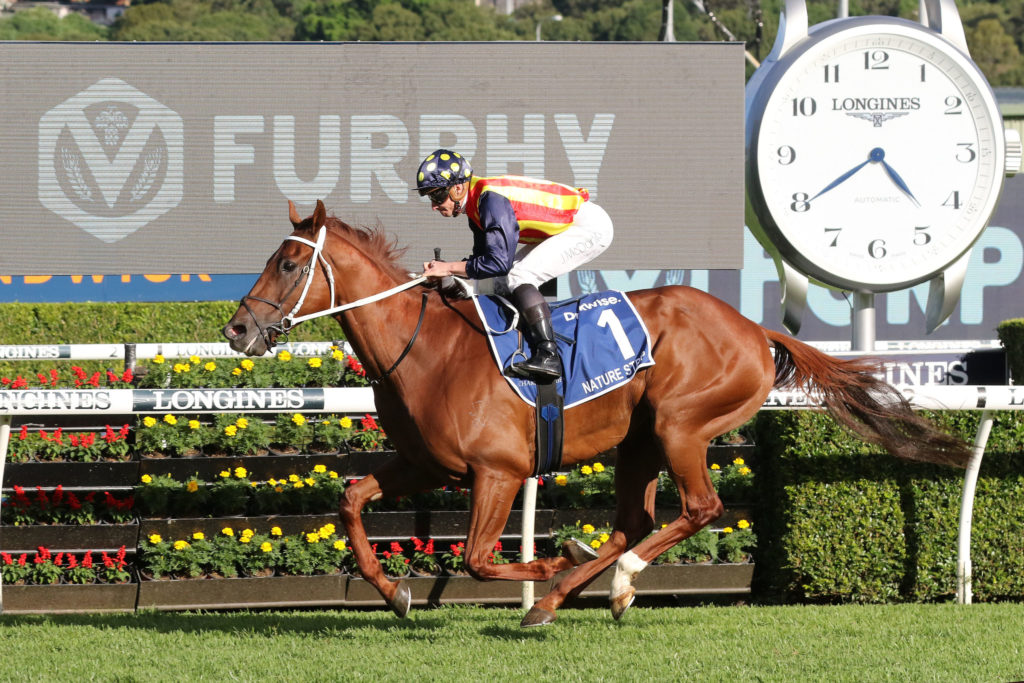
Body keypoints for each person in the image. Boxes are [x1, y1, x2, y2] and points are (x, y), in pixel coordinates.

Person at [416, 149, 613, 382]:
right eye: (430, 198)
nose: (434, 206)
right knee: (501, 280)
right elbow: (482, 265)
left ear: (458, 188)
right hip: (570, 226)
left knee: (519, 276)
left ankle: (549, 354)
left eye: (437, 196)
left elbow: (497, 263)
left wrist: (448, 268)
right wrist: (446, 274)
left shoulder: (490, 201)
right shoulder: (475, 204)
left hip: (588, 227)